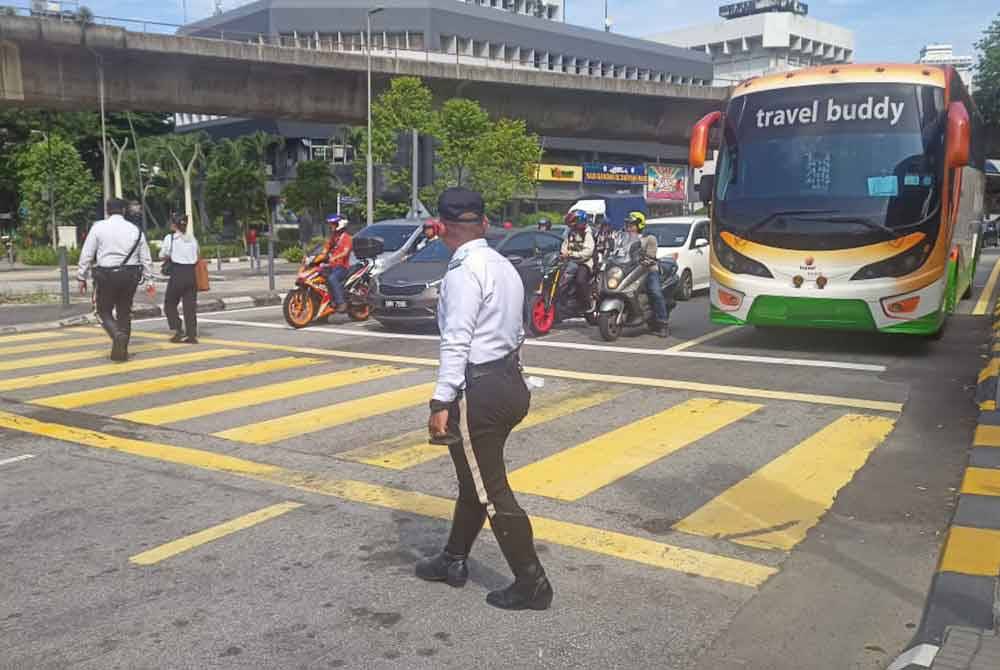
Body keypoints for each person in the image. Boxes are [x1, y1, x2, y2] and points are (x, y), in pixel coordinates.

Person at [416, 187, 553, 611]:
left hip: (479, 392)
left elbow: (456, 340)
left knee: (491, 490)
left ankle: (532, 583)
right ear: (485, 224)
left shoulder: (462, 273)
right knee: (473, 479)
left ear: (441, 228)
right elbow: (516, 329)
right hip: (509, 379)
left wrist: (441, 402)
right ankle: (453, 558)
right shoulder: (502, 264)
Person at [78, 198, 155, 362]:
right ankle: (122, 351)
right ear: (124, 211)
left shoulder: (98, 227)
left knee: (102, 311)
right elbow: (146, 257)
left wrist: (81, 276)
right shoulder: (135, 230)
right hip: (131, 276)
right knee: (124, 312)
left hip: (106, 276)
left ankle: (116, 335)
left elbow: (87, 254)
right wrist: (149, 279)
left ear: (107, 211)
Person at [625, 211, 671, 338]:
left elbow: (651, 256)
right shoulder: (625, 239)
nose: (629, 227)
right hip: (630, 271)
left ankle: (663, 324)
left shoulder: (650, 238)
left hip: (648, 270)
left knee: (655, 292)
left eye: (631, 224)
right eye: (628, 224)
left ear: (639, 225)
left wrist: (643, 259)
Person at [162, 217, 200, 344]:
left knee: (169, 304)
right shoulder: (192, 238)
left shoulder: (170, 238)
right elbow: (197, 254)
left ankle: (178, 329)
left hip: (177, 273)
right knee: (190, 307)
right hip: (191, 274)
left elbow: (163, 254)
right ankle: (192, 335)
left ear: (174, 225)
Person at [560, 209, 596, 310]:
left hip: (584, 262)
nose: (572, 225)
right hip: (571, 262)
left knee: (580, 280)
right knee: (560, 276)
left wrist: (572, 254)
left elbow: (588, 252)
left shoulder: (587, 233)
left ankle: (586, 304)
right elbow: (564, 246)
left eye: (574, 222)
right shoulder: (570, 232)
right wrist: (563, 254)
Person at [319, 214, 352, 312]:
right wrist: (318, 256)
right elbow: (326, 248)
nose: (331, 226)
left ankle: (341, 302)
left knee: (332, 278)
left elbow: (345, 252)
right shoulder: (333, 237)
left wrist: (334, 258)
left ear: (340, 224)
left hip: (342, 267)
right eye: (330, 224)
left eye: (333, 224)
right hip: (331, 266)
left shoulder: (347, 238)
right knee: (318, 276)